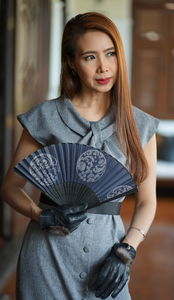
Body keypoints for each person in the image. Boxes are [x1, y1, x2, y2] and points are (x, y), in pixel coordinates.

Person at [1, 12, 159, 300]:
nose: (103, 67)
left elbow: (148, 202)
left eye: (110, 54)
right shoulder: (45, 118)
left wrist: (127, 250)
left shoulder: (140, 125)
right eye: (89, 57)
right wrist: (41, 215)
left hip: (108, 259)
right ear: (72, 63)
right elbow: (10, 189)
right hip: (46, 257)